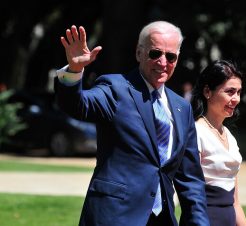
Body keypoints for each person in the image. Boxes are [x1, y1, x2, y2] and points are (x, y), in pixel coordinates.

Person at [55, 21, 210, 226]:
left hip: (161, 219)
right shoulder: (115, 88)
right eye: (155, 53)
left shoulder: (182, 108)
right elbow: (78, 105)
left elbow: (191, 180)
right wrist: (74, 69)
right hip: (115, 217)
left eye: (170, 56)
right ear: (139, 53)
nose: (163, 62)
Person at [191, 60, 246, 226]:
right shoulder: (196, 132)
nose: (236, 99)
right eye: (230, 92)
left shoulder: (230, 137)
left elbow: (235, 202)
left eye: (238, 92)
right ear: (208, 91)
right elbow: (191, 195)